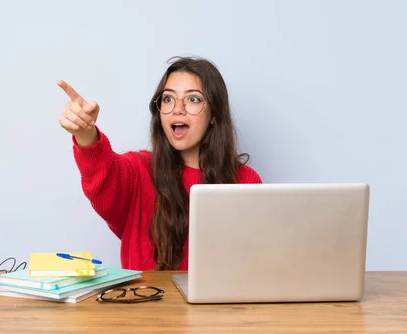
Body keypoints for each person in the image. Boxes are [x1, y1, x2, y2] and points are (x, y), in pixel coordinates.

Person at [57, 56, 262, 271]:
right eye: (168, 99)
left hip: (220, 304)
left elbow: (260, 262)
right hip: (145, 303)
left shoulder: (245, 181)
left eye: (193, 99)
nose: (177, 109)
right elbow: (104, 176)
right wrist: (85, 133)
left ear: (213, 114)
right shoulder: (139, 171)